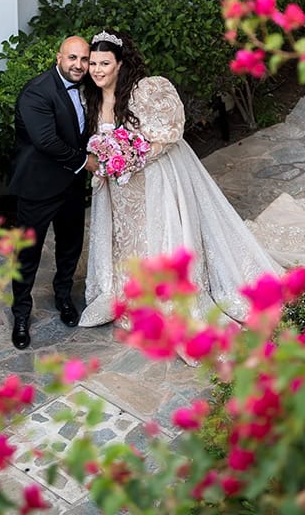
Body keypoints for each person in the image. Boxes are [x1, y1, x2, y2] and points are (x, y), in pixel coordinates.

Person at [78, 30, 279, 331]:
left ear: (119, 64)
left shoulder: (146, 90)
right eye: (93, 64)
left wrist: (134, 156)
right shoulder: (90, 97)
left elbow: (170, 132)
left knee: (155, 235)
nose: (97, 70)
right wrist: (106, 160)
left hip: (152, 178)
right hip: (118, 190)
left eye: (104, 63)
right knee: (127, 238)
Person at [8, 35, 99, 349]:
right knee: (28, 255)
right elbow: (46, 141)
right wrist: (85, 161)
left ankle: (63, 297)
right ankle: (21, 314)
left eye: (84, 59)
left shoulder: (88, 87)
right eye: (72, 58)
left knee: (70, 246)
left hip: (71, 186)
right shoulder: (37, 92)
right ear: (58, 57)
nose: (79, 65)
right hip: (38, 187)